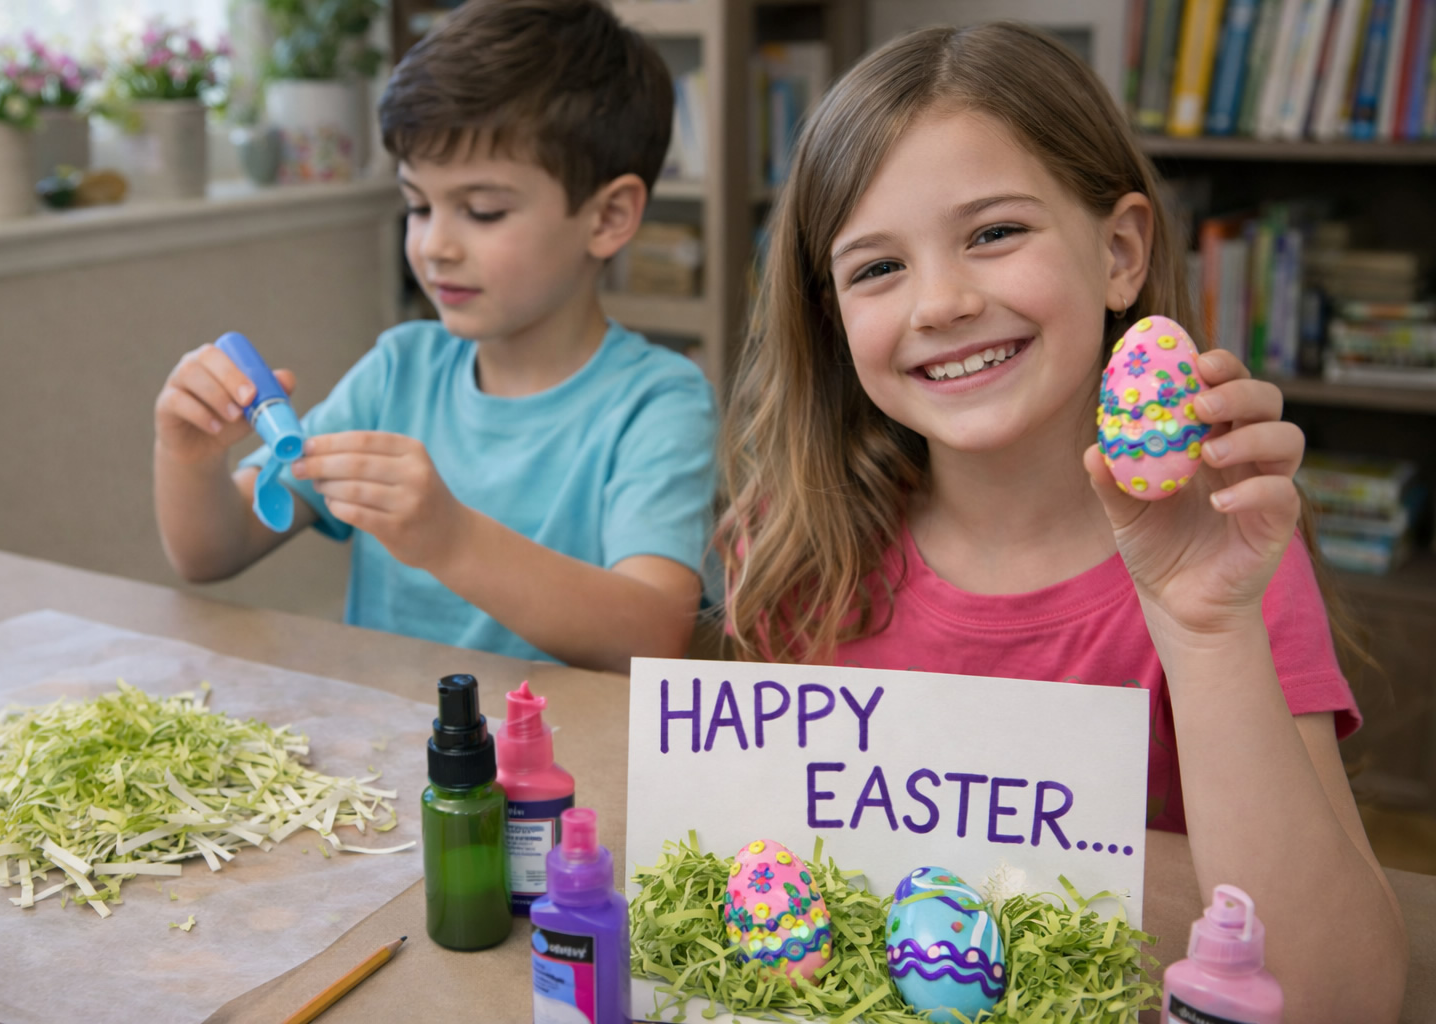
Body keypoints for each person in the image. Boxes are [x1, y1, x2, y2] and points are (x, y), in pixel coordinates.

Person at [717, 23, 1405, 1020]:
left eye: (994, 233)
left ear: (1120, 251)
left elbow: (1342, 1000)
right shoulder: (794, 545)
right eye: (876, 268)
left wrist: (1204, 629)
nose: (943, 302)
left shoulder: (1224, 561)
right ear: (831, 319)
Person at [154, 0, 715, 673]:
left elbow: (653, 636)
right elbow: (210, 553)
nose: (435, 245)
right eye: (419, 205)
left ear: (610, 216)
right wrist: (189, 457)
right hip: (381, 753)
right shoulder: (400, 370)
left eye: (482, 210)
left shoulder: (658, 403)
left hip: (555, 766)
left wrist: (453, 541)